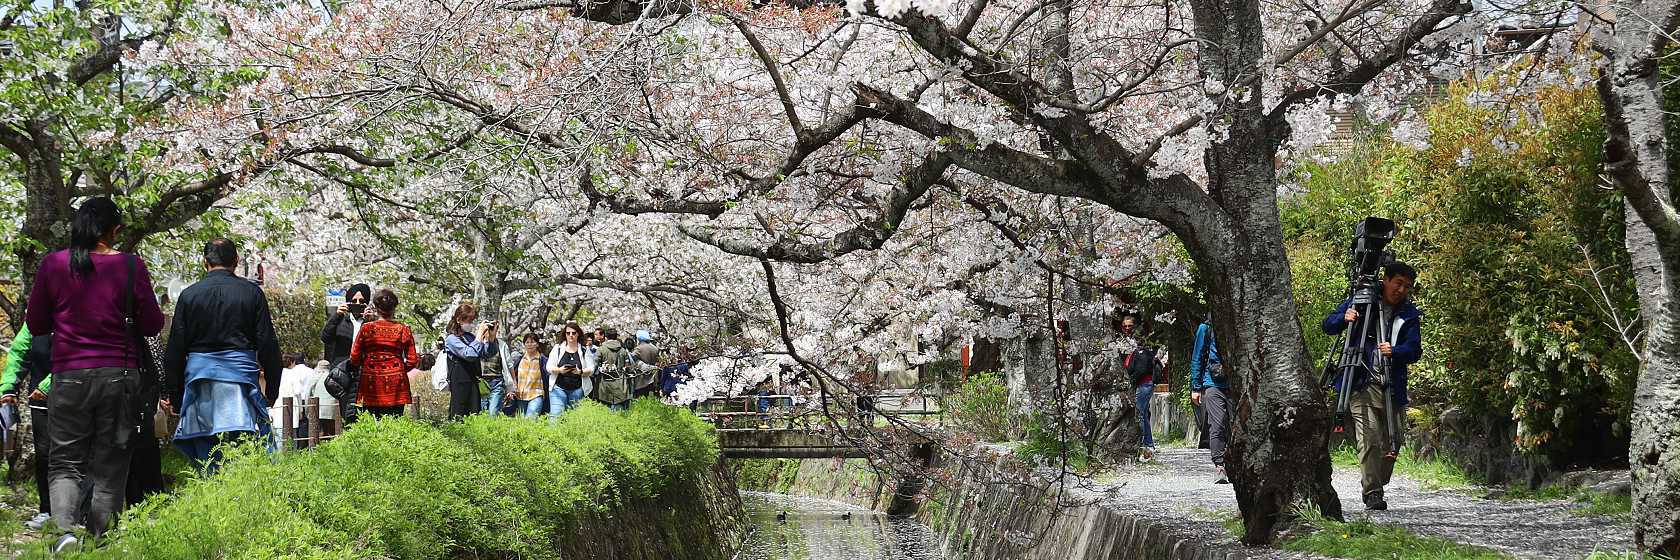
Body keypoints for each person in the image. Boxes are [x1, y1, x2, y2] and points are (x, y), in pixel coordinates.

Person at [24, 197, 166, 549]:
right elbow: (151, 323)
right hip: (119, 375)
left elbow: (36, 323)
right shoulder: (131, 266)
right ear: (114, 231)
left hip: (70, 375)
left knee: (65, 462)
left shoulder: (53, 265)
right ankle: (103, 540)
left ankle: (65, 535)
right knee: (112, 462)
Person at [163, 239, 283, 472]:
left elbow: (175, 349)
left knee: (207, 456)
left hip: (200, 385)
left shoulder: (189, 296)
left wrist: (176, 397)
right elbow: (267, 343)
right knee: (244, 453)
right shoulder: (252, 293)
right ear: (236, 261)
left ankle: (211, 499)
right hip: (241, 385)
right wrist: (272, 390)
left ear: (204, 262)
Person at [1321, 261, 1421, 511]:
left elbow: (1414, 350)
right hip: (1361, 381)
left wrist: (1395, 351)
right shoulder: (1362, 300)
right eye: (1398, 283)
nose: (1401, 290)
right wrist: (1345, 318)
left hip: (1392, 385)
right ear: (1385, 280)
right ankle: (1373, 493)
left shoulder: (1408, 313)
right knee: (1369, 439)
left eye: (1407, 286)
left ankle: (1376, 479)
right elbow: (1328, 325)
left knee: (1393, 442)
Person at [2, 324, 52, 530]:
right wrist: (8, 387)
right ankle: (47, 510)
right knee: (44, 454)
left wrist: (49, 384)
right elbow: (19, 352)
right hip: (40, 400)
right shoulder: (36, 318)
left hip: (75, 396)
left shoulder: (80, 309)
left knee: (76, 455)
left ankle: (80, 513)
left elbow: (76, 356)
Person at [351, 289, 420, 419]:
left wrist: (366, 365)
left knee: (372, 423)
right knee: (395, 423)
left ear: (376, 308)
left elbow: (354, 356)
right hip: (396, 383)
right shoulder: (403, 329)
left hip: (371, 379)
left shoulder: (366, 328)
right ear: (394, 308)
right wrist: (399, 369)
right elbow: (412, 359)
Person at [1189, 317, 1230, 483]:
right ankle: (1219, 466)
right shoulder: (1205, 328)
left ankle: (1235, 464)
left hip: (1238, 382)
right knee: (1217, 423)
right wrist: (1195, 387)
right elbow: (1197, 357)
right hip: (1213, 382)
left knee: (1237, 425)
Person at [442, 303, 496, 419]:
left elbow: (487, 354)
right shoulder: (451, 339)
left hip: (473, 382)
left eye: (473, 320)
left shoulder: (470, 337)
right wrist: (479, 335)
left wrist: (491, 338)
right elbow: (469, 354)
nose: (471, 324)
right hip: (459, 384)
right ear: (459, 320)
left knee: (474, 414)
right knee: (459, 415)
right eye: (469, 320)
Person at [546, 323, 595, 415]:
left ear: (578, 334)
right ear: (565, 334)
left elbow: (591, 369)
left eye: (573, 333)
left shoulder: (584, 350)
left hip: (577, 389)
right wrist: (559, 370)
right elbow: (549, 367)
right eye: (568, 333)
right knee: (556, 415)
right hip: (558, 388)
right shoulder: (558, 348)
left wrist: (580, 372)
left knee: (574, 417)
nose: (571, 335)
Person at [321, 284, 373, 365]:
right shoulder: (340, 321)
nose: (358, 304)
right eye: (354, 301)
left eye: (362, 301)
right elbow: (325, 338)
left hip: (363, 369)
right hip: (341, 370)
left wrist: (370, 322)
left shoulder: (370, 323)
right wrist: (336, 316)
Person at [270, 353, 314, 446]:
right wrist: (301, 410)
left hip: (278, 405)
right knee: (292, 435)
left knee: (278, 434)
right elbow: (297, 391)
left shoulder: (277, 373)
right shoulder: (293, 374)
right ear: (292, 362)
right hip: (292, 405)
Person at [506, 333, 548, 417]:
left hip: (536, 394)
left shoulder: (543, 360)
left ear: (537, 344)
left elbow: (547, 377)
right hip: (520, 396)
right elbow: (513, 376)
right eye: (527, 342)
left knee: (531, 420)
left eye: (532, 342)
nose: (530, 345)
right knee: (522, 423)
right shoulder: (519, 360)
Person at [592, 328, 632, 410]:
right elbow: (628, 367)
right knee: (620, 412)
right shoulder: (623, 350)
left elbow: (594, 365)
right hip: (620, 383)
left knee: (605, 410)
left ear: (606, 337)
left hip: (604, 385)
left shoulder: (601, 349)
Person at [631, 330, 661, 399]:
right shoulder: (655, 348)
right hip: (653, 376)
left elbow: (632, 360)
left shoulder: (638, 349)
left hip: (642, 378)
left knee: (640, 397)